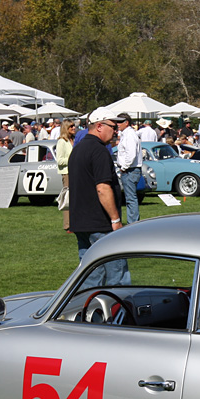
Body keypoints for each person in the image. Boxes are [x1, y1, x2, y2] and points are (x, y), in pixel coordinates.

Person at [68, 107, 128, 287]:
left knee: (90, 277)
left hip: (81, 221)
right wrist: (115, 219)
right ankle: (118, 312)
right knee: (117, 277)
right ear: (100, 126)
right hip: (100, 223)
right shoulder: (99, 150)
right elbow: (102, 188)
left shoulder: (78, 150)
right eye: (113, 126)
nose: (116, 130)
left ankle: (88, 312)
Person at [115, 113, 143, 224]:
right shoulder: (125, 134)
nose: (117, 124)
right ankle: (133, 222)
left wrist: (124, 167)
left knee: (131, 199)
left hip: (130, 170)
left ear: (126, 122)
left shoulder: (130, 135)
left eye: (119, 122)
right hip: (129, 169)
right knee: (130, 198)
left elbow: (131, 154)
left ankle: (133, 223)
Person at [56, 120, 76, 231]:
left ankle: (75, 222)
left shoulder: (73, 140)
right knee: (68, 199)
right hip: (67, 173)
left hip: (75, 172)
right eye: (71, 126)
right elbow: (59, 160)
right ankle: (67, 225)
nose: (74, 128)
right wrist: (73, 159)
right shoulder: (61, 142)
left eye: (74, 126)